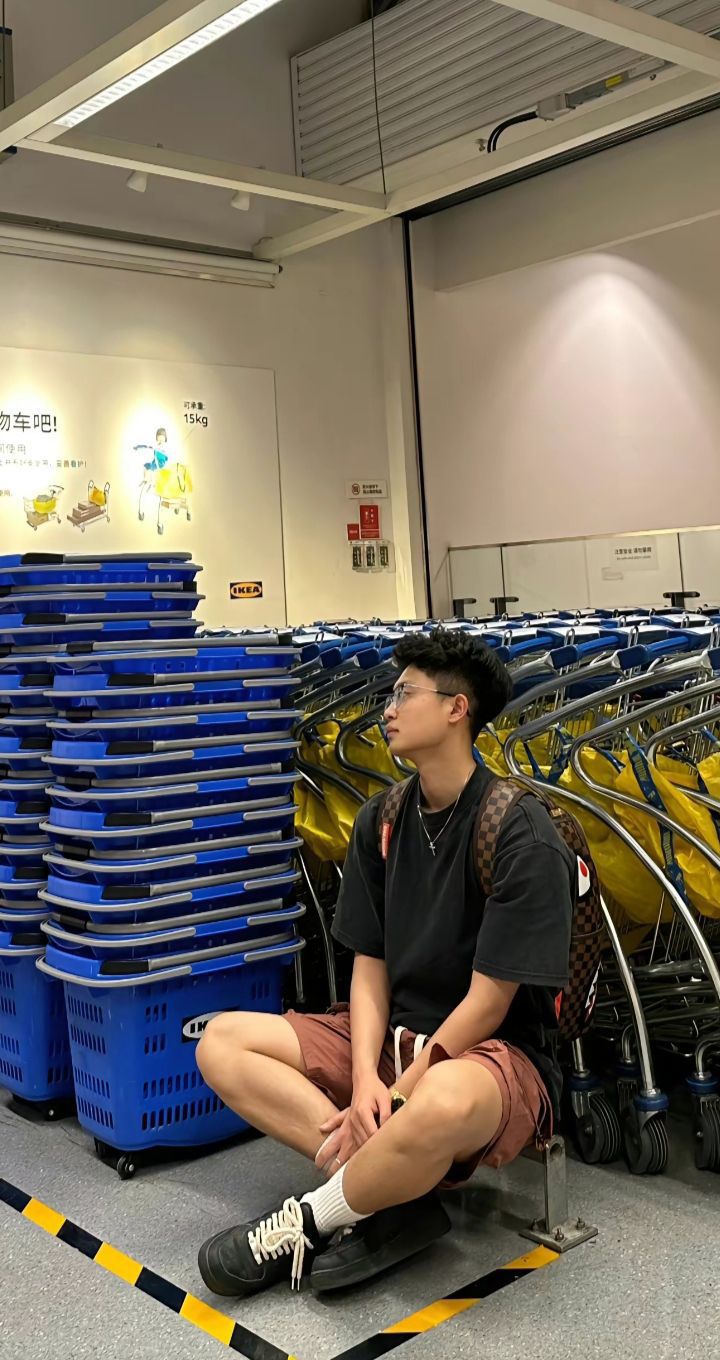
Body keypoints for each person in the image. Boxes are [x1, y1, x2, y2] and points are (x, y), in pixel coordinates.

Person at [195, 629, 574, 1299]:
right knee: (221, 1043)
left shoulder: (520, 832)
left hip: (491, 1056)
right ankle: (392, 1192)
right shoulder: (382, 819)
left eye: (404, 694)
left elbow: (489, 1003)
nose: (387, 710)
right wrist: (369, 1076)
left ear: (456, 709)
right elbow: (368, 963)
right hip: (394, 1036)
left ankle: (311, 1220)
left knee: (441, 1098)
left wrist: (400, 1093)